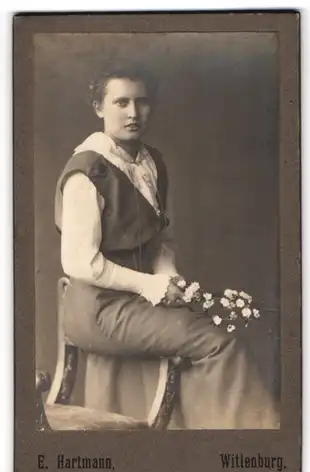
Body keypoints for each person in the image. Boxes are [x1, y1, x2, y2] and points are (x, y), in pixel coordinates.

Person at [54, 60, 279, 429]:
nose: (134, 113)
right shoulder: (88, 171)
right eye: (121, 102)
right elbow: (80, 263)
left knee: (220, 326)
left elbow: (161, 239)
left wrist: (168, 278)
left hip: (137, 301)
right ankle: (246, 439)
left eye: (142, 102)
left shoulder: (149, 161)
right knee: (218, 342)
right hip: (99, 308)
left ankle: (199, 435)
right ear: (99, 108)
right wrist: (149, 285)